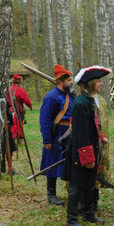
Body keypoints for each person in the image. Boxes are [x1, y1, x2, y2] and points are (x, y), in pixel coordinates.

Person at [61, 65, 111, 226]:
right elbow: (81, 133)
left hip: (91, 148)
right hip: (82, 151)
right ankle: (71, 220)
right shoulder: (81, 103)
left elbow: (93, 126)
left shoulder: (89, 100)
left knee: (89, 183)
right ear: (89, 83)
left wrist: (100, 137)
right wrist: (87, 157)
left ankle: (89, 214)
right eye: (98, 81)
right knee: (76, 186)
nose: (101, 84)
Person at [39, 64, 76, 206]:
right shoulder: (51, 97)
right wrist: (47, 139)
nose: (72, 82)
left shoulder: (70, 95)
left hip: (70, 134)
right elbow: (45, 119)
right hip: (56, 135)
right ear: (61, 81)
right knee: (52, 162)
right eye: (69, 80)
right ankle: (51, 194)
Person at [8, 74, 32, 139]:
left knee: (11, 123)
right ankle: (19, 137)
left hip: (9, 110)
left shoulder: (8, 89)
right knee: (18, 124)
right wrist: (30, 106)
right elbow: (26, 100)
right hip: (18, 109)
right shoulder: (21, 90)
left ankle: (14, 137)